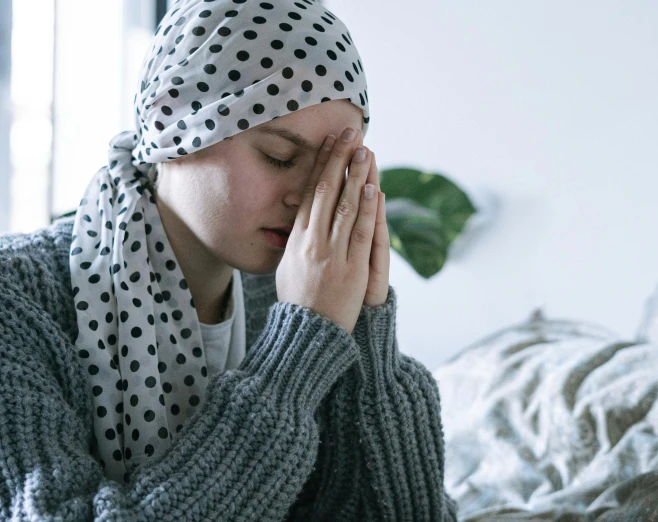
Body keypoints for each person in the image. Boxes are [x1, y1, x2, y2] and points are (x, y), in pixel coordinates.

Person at [0, 0, 459, 520]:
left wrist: (370, 339)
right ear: (169, 122)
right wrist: (296, 354)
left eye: (336, 172)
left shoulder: (290, 299)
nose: (310, 198)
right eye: (280, 157)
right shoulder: (17, 301)